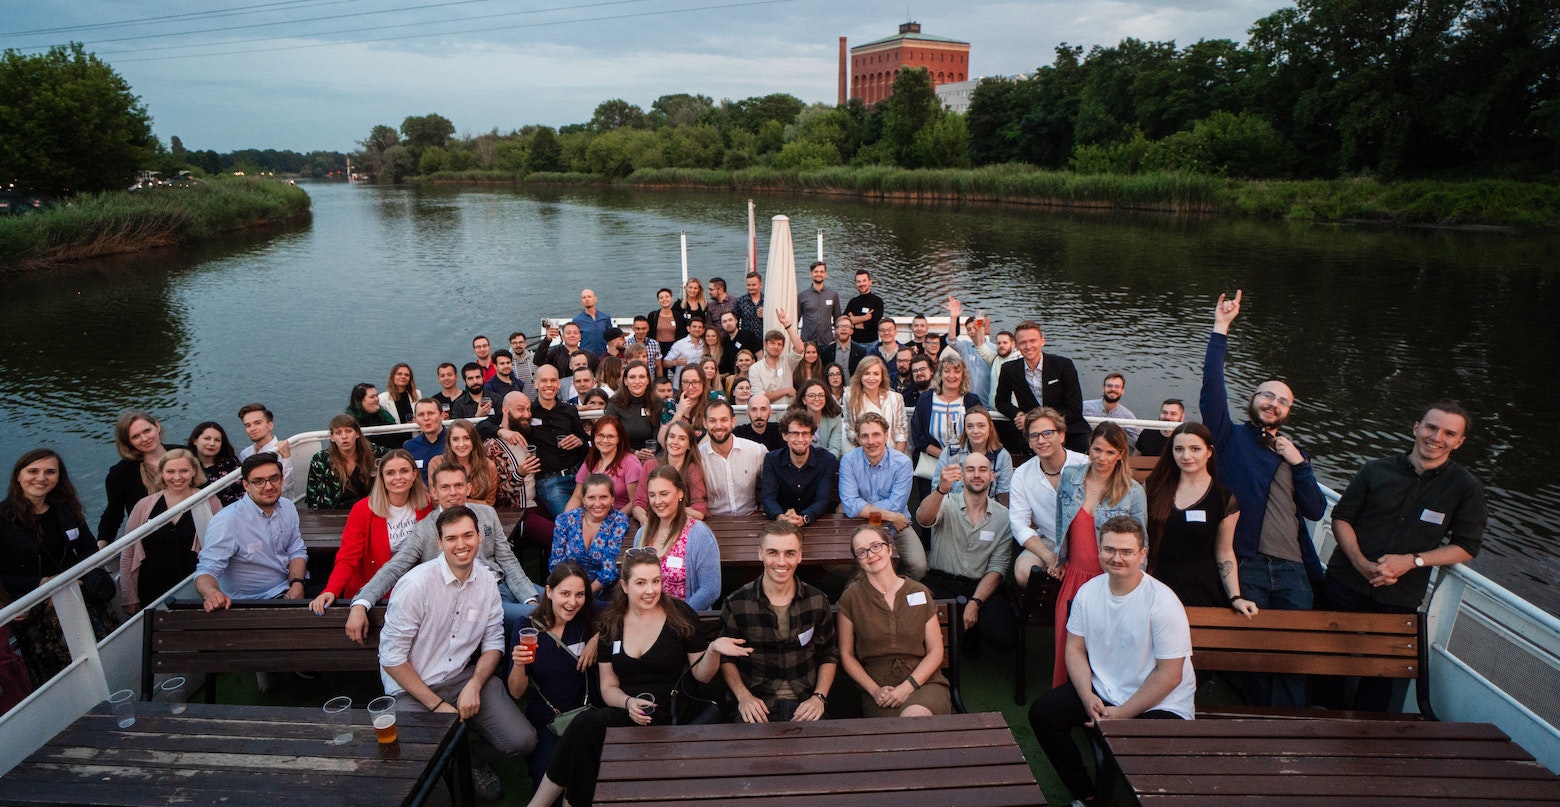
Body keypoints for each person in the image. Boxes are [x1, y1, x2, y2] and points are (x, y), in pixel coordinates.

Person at [524, 549, 749, 807]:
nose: (650, 590)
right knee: (585, 729)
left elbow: (702, 675)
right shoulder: (612, 623)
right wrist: (629, 703)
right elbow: (608, 687)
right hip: (631, 710)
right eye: (641, 583)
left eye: (655, 581)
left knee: (586, 735)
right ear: (624, 586)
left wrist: (712, 650)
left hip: (674, 712)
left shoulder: (680, 614)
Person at [1202, 290, 1325, 708]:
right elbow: (1212, 389)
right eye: (1267, 395)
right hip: (1247, 560)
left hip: (1293, 567)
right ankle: (1256, 723)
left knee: (1293, 654)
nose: (1273, 402)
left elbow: (1314, 510)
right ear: (1253, 400)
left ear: (1289, 411)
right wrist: (1221, 328)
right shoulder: (1229, 437)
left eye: (1283, 400)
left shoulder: (1295, 454)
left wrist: (1299, 463)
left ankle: (1289, 728)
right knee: (1253, 654)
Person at [1326, 401, 1486, 710]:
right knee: (1328, 660)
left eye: (1449, 433)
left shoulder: (1465, 488)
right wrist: (1360, 563)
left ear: (1459, 442)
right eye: (1431, 427)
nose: (1437, 437)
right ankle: (1319, 723)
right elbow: (1341, 517)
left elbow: (1466, 547)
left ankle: (1361, 742)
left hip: (1398, 595)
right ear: (1416, 427)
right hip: (1343, 582)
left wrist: (1412, 561)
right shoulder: (1375, 470)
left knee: (1381, 677)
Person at [1028, 516, 1195, 807]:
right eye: (1109, 550)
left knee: (1142, 759)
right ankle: (1086, 793)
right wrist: (1087, 695)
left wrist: (1123, 714)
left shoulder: (1163, 603)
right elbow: (1075, 649)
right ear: (1099, 551)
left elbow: (1170, 675)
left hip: (1160, 703)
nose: (1117, 558)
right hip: (1104, 691)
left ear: (1142, 555)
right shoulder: (1088, 592)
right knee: (1043, 714)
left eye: (1126, 551)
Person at [380, 505, 537, 801]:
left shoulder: (488, 581)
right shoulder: (415, 585)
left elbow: (493, 643)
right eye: (451, 538)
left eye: (468, 535)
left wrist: (475, 684)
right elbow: (391, 657)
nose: (461, 544)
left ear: (479, 536)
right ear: (439, 543)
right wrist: (437, 705)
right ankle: (448, 763)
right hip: (414, 689)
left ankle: (472, 758)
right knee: (424, 776)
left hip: (463, 677)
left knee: (523, 740)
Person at [343, 463, 540, 642]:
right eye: (445, 487)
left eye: (459, 485)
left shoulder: (487, 514)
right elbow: (395, 567)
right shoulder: (424, 529)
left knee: (558, 600)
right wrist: (361, 602)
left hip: (503, 582)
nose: (453, 493)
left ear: (468, 488)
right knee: (544, 617)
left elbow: (507, 559)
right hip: (474, 598)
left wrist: (528, 596)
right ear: (434, 493)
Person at [1, 450, 119, 685]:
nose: (41, 478)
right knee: (62, 674)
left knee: (105, 656)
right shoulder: (3, 519)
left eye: (49, 472)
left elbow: (87, 549)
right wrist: (44, 585)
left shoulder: (64, 509)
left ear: (58, 477)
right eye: (33, 471)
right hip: (36, 607)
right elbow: (3, 575)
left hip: (79, 591)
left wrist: (70, 581)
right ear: (17, 476)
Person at [1051, 421, 1148, 686]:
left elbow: (1141, 542)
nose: (1101, 458)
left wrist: (1134, 588)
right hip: (1074, 575)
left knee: (1104, 649)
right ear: (1089, 448)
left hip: (1110, 580)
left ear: (1120, 455)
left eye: (1109, 452)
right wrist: (1060, 559)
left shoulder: (1133, 492)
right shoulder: (1070, 478)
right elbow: (1061, 521)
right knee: (1067, 642)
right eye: (1096, 450)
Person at [720, 521, 838, 722]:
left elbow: (828, 653)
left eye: (790, 553)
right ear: (760, 553)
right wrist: (744, 697)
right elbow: (726, 657)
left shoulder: (817, 600)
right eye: (773, 552)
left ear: (800, 555)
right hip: (757, 704)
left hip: (806, 703)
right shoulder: (737, 602)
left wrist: (819, 697)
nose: (781, 562)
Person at [837, 525, 951, 717]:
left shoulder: (918, 592)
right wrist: (874, 691)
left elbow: (936, 650)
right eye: (862, 552)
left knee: (914, 717)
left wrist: (908, 686)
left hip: (923, 682)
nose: (871, 554)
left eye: (876, 546)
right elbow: (846, 655)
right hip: (880, 690)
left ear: (889, 549)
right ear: (857, 560)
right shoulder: (851, 598)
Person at [307, 450, 434, 613]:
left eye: (404, 471)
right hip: (374, 590)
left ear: (414, 474)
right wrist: (331, 589)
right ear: (381, 478)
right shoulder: (363, 510)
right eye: (390, 473)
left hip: (415, 588)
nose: (398, 477)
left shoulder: (425, 505)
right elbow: (348, 557)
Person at [508, 562, 597, 788]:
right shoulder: (526, 627)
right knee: (550, 776)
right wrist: (519, 664)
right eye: (564, 593)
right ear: (549, 592)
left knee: (584, 778)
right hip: (547, 719)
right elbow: (516, 692)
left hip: (585, 715)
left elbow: (624, 609)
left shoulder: (588, 621)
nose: (572, 602)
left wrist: (597, 639)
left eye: (579, 594)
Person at [916, 451, 1015, 654]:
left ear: (992, 475)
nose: (977, 474)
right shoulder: (945, 502)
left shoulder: (1004, 517)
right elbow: (923, 519)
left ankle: (972, 628)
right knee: (923, 635)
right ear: (961, 474)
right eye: (970, 470)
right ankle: (962, 631)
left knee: (1003, 638)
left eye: (982, 470)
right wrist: (941, 490)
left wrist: (975, 602)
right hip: (941, 581)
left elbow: (998, 567)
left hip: (979, 586)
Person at [1144, 424, 1248, 611]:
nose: (1186, 456)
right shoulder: (1153, 487)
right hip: (1156, 581)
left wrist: (1235, 597)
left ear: (1209, 452)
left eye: (1195, 449)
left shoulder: (1224, 499)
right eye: (1179, 449)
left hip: (1200, 586)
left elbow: (1224, 551)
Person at [193, 453, 307, 609]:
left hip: (287, 588)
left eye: (274, 478)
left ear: (281, 479)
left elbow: (296, 550)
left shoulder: (287, 507)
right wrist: (211, 593)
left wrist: (297, 583)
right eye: (259, 481)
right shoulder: (228, 521)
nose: (268, 486)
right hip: (252, 602)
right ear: (246, 485)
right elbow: (207, 570)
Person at [118, 450, 222, 614]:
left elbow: (222, 546)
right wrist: (129, 597)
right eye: (170, 471)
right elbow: (128, 552)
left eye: (184, 471)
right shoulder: (144, 506)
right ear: (161, 473)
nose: (177, 477)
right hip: (152, 589)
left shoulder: (210, 501)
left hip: (195, 588)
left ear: (194, 471)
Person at [838, 412, 928, 580]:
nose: (871, 442)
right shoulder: (849, 461)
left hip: (895, 527)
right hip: (860, 525)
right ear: (858, 439)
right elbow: (850, 505)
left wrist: (865, 508)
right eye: (865, 436)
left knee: (918, 566)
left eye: (876, 435)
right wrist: (891, 516)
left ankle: (896, 591)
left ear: (886, 436)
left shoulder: (902, 463)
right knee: (840, 565)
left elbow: (896, 505)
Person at [1009, 407, 1090, 589]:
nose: (1041, 440)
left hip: (1085, 539)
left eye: (1048, 433)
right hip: (1050, 540)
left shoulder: (1085, 466)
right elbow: (1019, 524)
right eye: (1034, 436)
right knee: (1024, 572)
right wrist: (1049, 557)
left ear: (1061, 435)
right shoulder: (1022, 474)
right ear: (1029, 442)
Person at [632, 466, 722, 610]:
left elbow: (710, 590)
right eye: (652, 495)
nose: (657, 501)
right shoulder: (642, 534)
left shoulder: (699, 535)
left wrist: (677, 618)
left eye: (664, 494)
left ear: (680, 493)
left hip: (684, 621)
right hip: (647, 618)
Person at [994, 321, 1088, 453]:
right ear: (1016, 345)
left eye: (1033, 341)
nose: (1028, 346)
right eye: (1023, 342)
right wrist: (1018, 414)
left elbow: (1075, 408)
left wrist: (1035, 419)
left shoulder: (1063, 365)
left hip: (1068, 429)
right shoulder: (1009, 369)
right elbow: (1001, 401)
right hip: (1033, 434)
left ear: (1042, 341)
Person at [98, 411, 180, 545]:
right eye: (136, 436)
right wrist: (101, 546)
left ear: (157, 427)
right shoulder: (120, 473)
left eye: (147, 431)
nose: (144, 438)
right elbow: (113, 514)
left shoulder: (183, 453)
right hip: (153, 543)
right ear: (128, 442)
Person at [551, 474, 631, 599]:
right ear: (583, 499)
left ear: (612, 499)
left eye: (603, 497)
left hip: (601, 592)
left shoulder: (619, 521)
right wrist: (571, 595)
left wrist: (584, 596)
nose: (597, 503)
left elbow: (608, 571)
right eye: (591, 498)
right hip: (565, 588)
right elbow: (555, 564)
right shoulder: (565, 520)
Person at [528, 365, 589, 519]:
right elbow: (486, 425)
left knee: (597, 515)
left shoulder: (569, 410)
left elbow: (585, 443)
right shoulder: (527, 412)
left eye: (553, 380)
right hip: (550, 482)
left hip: (578, 477)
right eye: (544, 381)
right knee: (571, 522)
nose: (549, 385)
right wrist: (502, 431)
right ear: (536, 384)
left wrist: (580, 441)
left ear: (559, 384)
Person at [759, 411, 839, 527]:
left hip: (815, 522)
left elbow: (822, 499)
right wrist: (780, 517)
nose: (800, 439)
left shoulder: (826, 460)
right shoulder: (772, 459)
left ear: (812, 436)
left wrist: (804, 517)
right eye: (795, 433)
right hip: (782, 523)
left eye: (805, 433)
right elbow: (768, 497)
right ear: (785, 435)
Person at [911, 355, 981, 477]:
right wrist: (945, 456)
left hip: (964, 467)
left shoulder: (972, 401)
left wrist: (959, 459)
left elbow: (980, 432)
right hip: (931, 467)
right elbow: (918, 437)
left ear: (963, 375)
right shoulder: (925, 400)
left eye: (956, 371)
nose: (951, 376)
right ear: (940, 374)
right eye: (947, 371)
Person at [930, 407, 1014, 504]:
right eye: (970, 426)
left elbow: (1004, 497)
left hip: (989, 512)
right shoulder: (950, 452)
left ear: (990, 427)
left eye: (981, 426)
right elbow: (935, 489)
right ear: (964, 428)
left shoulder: (1002, 456)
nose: (975, 431)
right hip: (954, 510)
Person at [629, 421, 707, 524]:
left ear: (689, 445)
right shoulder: (650, 465)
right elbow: (638, 504)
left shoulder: (692, 469)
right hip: (653, 523)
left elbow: (699, 511)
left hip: (682, 525)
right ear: (665, 441)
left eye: (682, 438)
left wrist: (668, 511)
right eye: (672, 436)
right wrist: (644, 520)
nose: (675, 442)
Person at [699, 400, 766, 516]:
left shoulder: (756, 451)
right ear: (705, 423)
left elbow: (773, 485)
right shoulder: (698, 457)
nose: (718, 426)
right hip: (713, 520)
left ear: (733, 421)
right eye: (712, 421)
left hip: (750, 517)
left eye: (724, 420)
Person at [564, 416, 642, 513]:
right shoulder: (591, 460)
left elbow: (635, 501)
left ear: (619, 439)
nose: (605, 440)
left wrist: (614, 521)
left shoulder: (630, 462)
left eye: (611, 436)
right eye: (600, 435)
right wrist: (565, 519)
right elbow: (577, 497)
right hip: (593, 516)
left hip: (620, 518)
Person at [306, 414, 381, 510]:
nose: (344, 436)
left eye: (349, 431)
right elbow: (311, 496)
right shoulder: (320, 460)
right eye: (338, 433)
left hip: (367, 510)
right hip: (332, 514)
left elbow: (397, 456)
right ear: (332, 437)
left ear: (357, 433)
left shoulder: (374, 453)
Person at [842, 356, 909, 452]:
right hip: (863, 452)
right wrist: (868, 446)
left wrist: (894, 461)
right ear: (860, 376)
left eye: (876, 374)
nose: (871, 378)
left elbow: (901, 435)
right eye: (867, 373)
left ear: (882, 377)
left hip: (894, 453)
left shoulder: (895, 398)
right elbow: (849, 429)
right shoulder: (850, 397)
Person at [427, 419, 499, 506]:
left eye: (466, 438)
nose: (461, 444)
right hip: (447, 515)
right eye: (455, 439)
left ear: (474, 440)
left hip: (479, 515)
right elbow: (436, 500)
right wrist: (471, 502)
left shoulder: (488, 465)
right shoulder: (436, 463)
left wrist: (457, 501)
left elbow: (489, 502)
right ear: (449, 442)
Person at [945, 297, 997, 405]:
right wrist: (953, 317)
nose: (972, 331)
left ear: (983, 328)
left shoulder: (994, 349)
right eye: (969, 329)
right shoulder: (965, 346)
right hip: (967, 400)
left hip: (988, 403)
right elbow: (951, 340)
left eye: (975, 328)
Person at [604, 360, 661, 456]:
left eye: (642, 377)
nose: (637, 381)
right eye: (632, 377)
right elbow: (610, 437)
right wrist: (634, 453)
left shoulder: (657, 403)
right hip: (622, 454)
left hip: (652, 455)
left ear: (648, 380)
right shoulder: (614, 404)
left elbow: (658, 436)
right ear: (625, 381)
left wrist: (649, 454)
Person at [748, 313, 804, 409]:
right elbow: (761, 397)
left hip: (789, 411)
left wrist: (787, 325)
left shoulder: (787, 361)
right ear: (765, 344)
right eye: (772, 343)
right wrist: (786, 391)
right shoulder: (755, 368)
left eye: (779, 344)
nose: (775, 347)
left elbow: (800, 348)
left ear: (782, 347)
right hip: (767, 413)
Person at [237, 403, 294, 495]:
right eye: (248, 425)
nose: (252, 429)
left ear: (270, 425)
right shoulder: (245, 454)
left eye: (257, 423)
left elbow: (285, 486)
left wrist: (286, 457)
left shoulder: (283, 451)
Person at [188, 421, 244, 506]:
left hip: (234, 509)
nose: (212, 443)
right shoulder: (186, 464)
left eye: (217, 440)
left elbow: (243, 491)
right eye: (207, 438)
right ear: (195, 441)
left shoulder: (230, 462)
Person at [660, 365, 715, 445]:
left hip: (705, 452)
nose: (690, 387)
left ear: (703, 382)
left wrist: (695, 454)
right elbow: (662, 440)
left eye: (695, 382)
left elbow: (716, 432)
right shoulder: (671, 403)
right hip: (677, 452)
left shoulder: (715, 399)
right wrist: (679, 412)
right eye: (685, 382)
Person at [792, 378, 846, 458]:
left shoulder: (834, 418)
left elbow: (835, 449)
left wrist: (823, 464)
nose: (817, 399)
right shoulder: (794, 420)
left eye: (821, 395)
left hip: (826, 462)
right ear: (804, 400)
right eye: (811, 396)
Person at [1083, 372, 1141, 443]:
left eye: (1117, 386)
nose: (1113, 389)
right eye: (1109, 386)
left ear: (1122, 391)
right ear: (1103, 389)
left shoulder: (1127, 416)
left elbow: (1140, 438)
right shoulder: (1085, 407)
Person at [401, 399, 447, 483]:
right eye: (421, 414)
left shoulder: (455, 442)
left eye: (430, 413)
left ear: (442, 415)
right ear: (415, 419)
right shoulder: (409, 447)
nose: (426, 418)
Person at [845, 269, 885, 346]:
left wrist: (853, 323)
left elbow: (874, 323)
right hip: (854, 343)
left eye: (864, 281)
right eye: (858, 282)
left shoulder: (877, 301)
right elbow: (845, 319)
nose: (861, 284)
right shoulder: (853, 302)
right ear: (855, 284)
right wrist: (865, 317)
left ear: (870, 282)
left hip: (871, 344)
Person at [573, 288, 612, 356]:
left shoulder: (605, 317)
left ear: (595, 299)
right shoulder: (577, 320)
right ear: (581, 301)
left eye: (589, 296)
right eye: (584, 297)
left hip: (603, 355)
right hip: (586, 356)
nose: (587, 299)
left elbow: (611, 337)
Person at [734, 271, 765, 341]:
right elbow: (735, 321)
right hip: (746, 340)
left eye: (753, 285)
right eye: (748, 285)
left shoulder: (768, 301)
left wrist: (766, 316)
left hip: (764, 339)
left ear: (760, 285)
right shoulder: (740, 301)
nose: (750, 287)